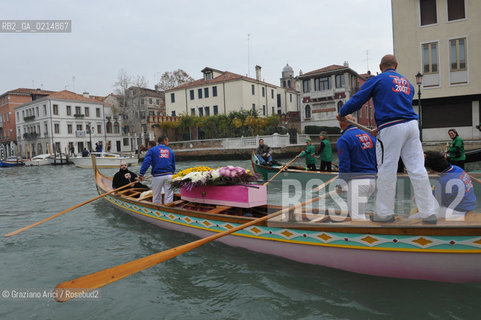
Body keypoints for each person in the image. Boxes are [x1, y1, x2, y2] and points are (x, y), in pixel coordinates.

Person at [338, 54, 439, 223]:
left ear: (380, 67)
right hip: (412, 126)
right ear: (396, 66)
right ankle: (428, 213)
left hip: (392, 128)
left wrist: (342, 113)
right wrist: (381, 127)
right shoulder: (407, 83)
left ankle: (384, 214)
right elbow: (398, 107)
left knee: (386, 170)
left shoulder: (378, 80)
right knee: (418, 170)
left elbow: (358, 99)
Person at [336, 115, 377, 221]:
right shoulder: (370, 136)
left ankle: (365, 236)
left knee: (356, 217)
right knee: (360, 213)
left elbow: (344, 164)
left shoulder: (344, 139)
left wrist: (341, 184)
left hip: (358, 182)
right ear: (354, 121)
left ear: (341, 124)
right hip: (371, 181)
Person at [424, 151, 476, 220]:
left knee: (415, 216)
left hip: (458, 212)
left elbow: (434, 203)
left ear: (432, 169)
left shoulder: (442, 182)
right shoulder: (457, 168)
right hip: (468, 208)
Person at [139, 135, 175, 204]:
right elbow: (173, 164)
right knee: (169, 195)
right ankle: (168, 209)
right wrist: (172, 173)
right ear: (164, 141)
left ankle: (157, 210)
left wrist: (141, 174)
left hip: (157, 176)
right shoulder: (170, 151)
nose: (168, 142)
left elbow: (146, 162)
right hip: (169, 175)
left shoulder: (152, 150)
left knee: (156, 196)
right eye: (167, 140)